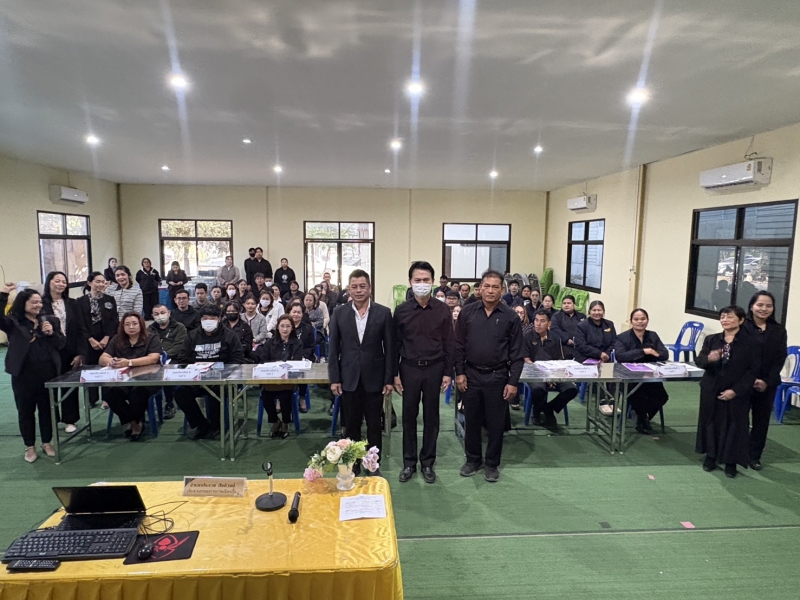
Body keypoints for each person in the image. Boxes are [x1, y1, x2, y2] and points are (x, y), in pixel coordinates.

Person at [454, 270, 524, 483]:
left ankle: (492, 463)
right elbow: (458, 345)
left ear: (502, 290)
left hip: (498, 376)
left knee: (496, 423)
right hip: (471, 375)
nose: (490, 290)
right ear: (480, 288)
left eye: (495, 287)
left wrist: (513, 382)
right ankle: (473, 460)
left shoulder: (510, 317)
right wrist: (460, 373)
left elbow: (517, 354)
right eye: (487, 286)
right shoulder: (468, 312)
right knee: (472, 420)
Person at [328, 270, 395, 473]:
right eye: (354, 287)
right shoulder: (339, 313)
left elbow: (390, 349)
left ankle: (373, 464)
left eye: (362, 286)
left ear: (370, 288)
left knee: (374, 425)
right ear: (349, 289)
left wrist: (389, 378)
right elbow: (333, 349)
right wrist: (334, 378)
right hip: (348, 378)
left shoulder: (383, 313)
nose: (358, 290)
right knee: (351, 425)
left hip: (375, 378)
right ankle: (353, 462)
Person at [393, 261, 453, 484]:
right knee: (409, 417)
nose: (421, 284)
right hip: (408, 368)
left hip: (435, 368)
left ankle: (427, 462)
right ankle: (409, 462)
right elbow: (394, 345)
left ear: (433, 282)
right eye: (417, 280)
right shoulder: (401, 311)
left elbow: (449, 343)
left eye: (426, 280)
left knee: (431, 417)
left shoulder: (442, 310)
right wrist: (394, 373)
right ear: (410, 282)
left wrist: (448, 372)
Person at [1, 283, 64, 462]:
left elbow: (61, 344)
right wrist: (3, 295)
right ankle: (29, 446)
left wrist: (52, 333)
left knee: (47, 410)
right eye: (34, 302)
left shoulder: (50, 321)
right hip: (23, 375)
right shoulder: (13, 322)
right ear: (23, 304)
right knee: (25, 411)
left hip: (48, 374)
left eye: (39, 302)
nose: (38, 305)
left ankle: (46, 442)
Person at [696, 306, 760, 478]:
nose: (725, 320)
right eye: (722, 317)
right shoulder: (712, 340)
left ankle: (731, 462)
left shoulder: (751, 342)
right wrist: (709, 358)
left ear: (741, 320)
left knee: (735, 425)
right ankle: (711, 456)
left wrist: (736, 391)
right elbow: (700, 361)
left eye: (730, 317)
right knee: (711, 422)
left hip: (737, 390)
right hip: (711, 388)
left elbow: (752, 371)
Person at [174, 305, 245, 439]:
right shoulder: (192, 336)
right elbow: (183, 358)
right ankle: (201, 424)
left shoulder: (229, 335)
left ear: (219, 319)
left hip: (221, 379)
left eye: (212, 318)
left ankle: (215, 426)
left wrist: (218, 371)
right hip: (197, 379)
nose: (208, 321)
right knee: (180, 392)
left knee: (216, 392)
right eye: (205, 318)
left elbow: (237, 359)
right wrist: (195, 369)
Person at [99, 312, 162, 441]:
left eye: (134, 323)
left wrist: (129, 362)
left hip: (147, 379)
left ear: (141, 324)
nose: (131, 327)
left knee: (137, 393)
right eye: (127, 324)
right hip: (123, 380)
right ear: (122, 326)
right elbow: (102, 358)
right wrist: (110, 361)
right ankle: (135, 423)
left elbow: (153, 358)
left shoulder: (151, 338)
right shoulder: (117, 339)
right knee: (110, 394)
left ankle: (135, 424)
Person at [743, 291, 787, 470]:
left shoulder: (779, 330)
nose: (764, 309)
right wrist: (750, 379)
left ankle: (754, 456)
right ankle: (735, 453)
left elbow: (780, 358)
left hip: (768, 384)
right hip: (743, 382)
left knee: (761, 421)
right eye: (760, 305)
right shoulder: (741, 326)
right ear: (751, 306)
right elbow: (738, 356)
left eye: (769, 305)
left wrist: (766, 381)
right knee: (739, 419)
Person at [41, 271, 85, 433]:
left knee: (69, 385)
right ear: (49, 282)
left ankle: (70, 420)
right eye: (57, 281)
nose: (61, 284)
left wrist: (80, 353)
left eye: (63, 281)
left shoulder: (73, 303)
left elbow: (81, 329)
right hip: (48, 351)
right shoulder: (40, 304)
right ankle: (51, 419)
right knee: (49, 386)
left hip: (70, 350)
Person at [613, 308, 670, 434]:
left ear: (647, 321)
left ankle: (642, 416)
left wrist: (654, 352)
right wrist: (643, 351)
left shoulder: (653, 335)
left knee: (662, 397)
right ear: (631, 321)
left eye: (643, 319)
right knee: (639, 396)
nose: (640, 322)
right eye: (636, 319)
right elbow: (620, 356)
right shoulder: (622, 337)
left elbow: (664, 354)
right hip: (630, 377)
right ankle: (642, 419)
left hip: (650, 376)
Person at [523, 311, 578, 429]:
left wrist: (553, 376)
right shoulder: (527, 337)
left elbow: (559, 361)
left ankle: (549, 408)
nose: (538, 324)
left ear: (549, 323)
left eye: (542, 321)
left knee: (571, 389)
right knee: (539, 388)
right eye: (536, 320)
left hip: (553, 373)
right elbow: (527, 360)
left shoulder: (555, 338)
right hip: (534, 373)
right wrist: (545, 377)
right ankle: (536, 412)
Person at [256, 314, 303, 438]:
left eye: (288, 326)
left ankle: (286, 422)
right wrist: (275, 364)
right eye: (282, 326)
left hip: (288, 380)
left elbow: (297, 361)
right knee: (266, 396)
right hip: (271, 379)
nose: (285, 329)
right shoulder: (270, 343)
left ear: (292, 328)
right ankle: (275, 421)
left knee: (285, 396)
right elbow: (263, 360)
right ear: (277, 327)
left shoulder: (297, 343)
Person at [76, 272, 119, 407]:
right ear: (90, 283)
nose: (101, 284)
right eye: (98, 281)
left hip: (106, 339)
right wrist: (90, 339)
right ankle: (91, 399)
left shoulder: (109, 299)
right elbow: (80, 323)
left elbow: (114, 320)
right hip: (88, 340)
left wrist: (107, 337)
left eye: (103, 282)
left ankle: (107, 398)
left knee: (107, 367)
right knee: (90, 368)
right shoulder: (80, 301)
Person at [575, 300, 616, 415]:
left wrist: (606, 355)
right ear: (589, 312)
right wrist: (599, 354)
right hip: (586, 356)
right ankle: (602, 400)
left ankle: (612, 400)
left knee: (613, 370)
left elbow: (614, 342)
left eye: (599, 310)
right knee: (596, 370)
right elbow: (581, 345)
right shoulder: (582, 326)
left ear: (603, 312)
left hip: (606, 357)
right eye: (594, 310)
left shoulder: (609, 324)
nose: (597, 313)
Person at [147, 304, 187, 419]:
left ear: (169, 313)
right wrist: (155, 357)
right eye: (156, 314)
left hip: (174, 358)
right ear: (152, 316)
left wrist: (164, 355)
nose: (160, 316)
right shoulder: (150, 329)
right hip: (153, 358)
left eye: (162, 313)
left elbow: (179, 345)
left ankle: (169, 403)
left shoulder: (179, 327)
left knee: (168, 371)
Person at [287, 300, 317, 412]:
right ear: (289, 313)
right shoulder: (284, 326)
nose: (296, 314)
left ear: (302, 314)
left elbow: (311, 346)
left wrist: (300, 356)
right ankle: (281, 397)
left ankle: (302, 396)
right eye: (294, 312)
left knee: (302, 368)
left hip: (304, 357)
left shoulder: (307, 328)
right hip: (286, 357)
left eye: (299, 312)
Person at [550, 295, 586, 359]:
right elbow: (554, 329)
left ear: (574, 304)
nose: (566, 305)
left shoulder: (581, 316)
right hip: (563, 346)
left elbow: (586, 330)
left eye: (569, 303)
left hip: (580, 346)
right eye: (564, 303)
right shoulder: (556, 316)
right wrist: (567, 340)